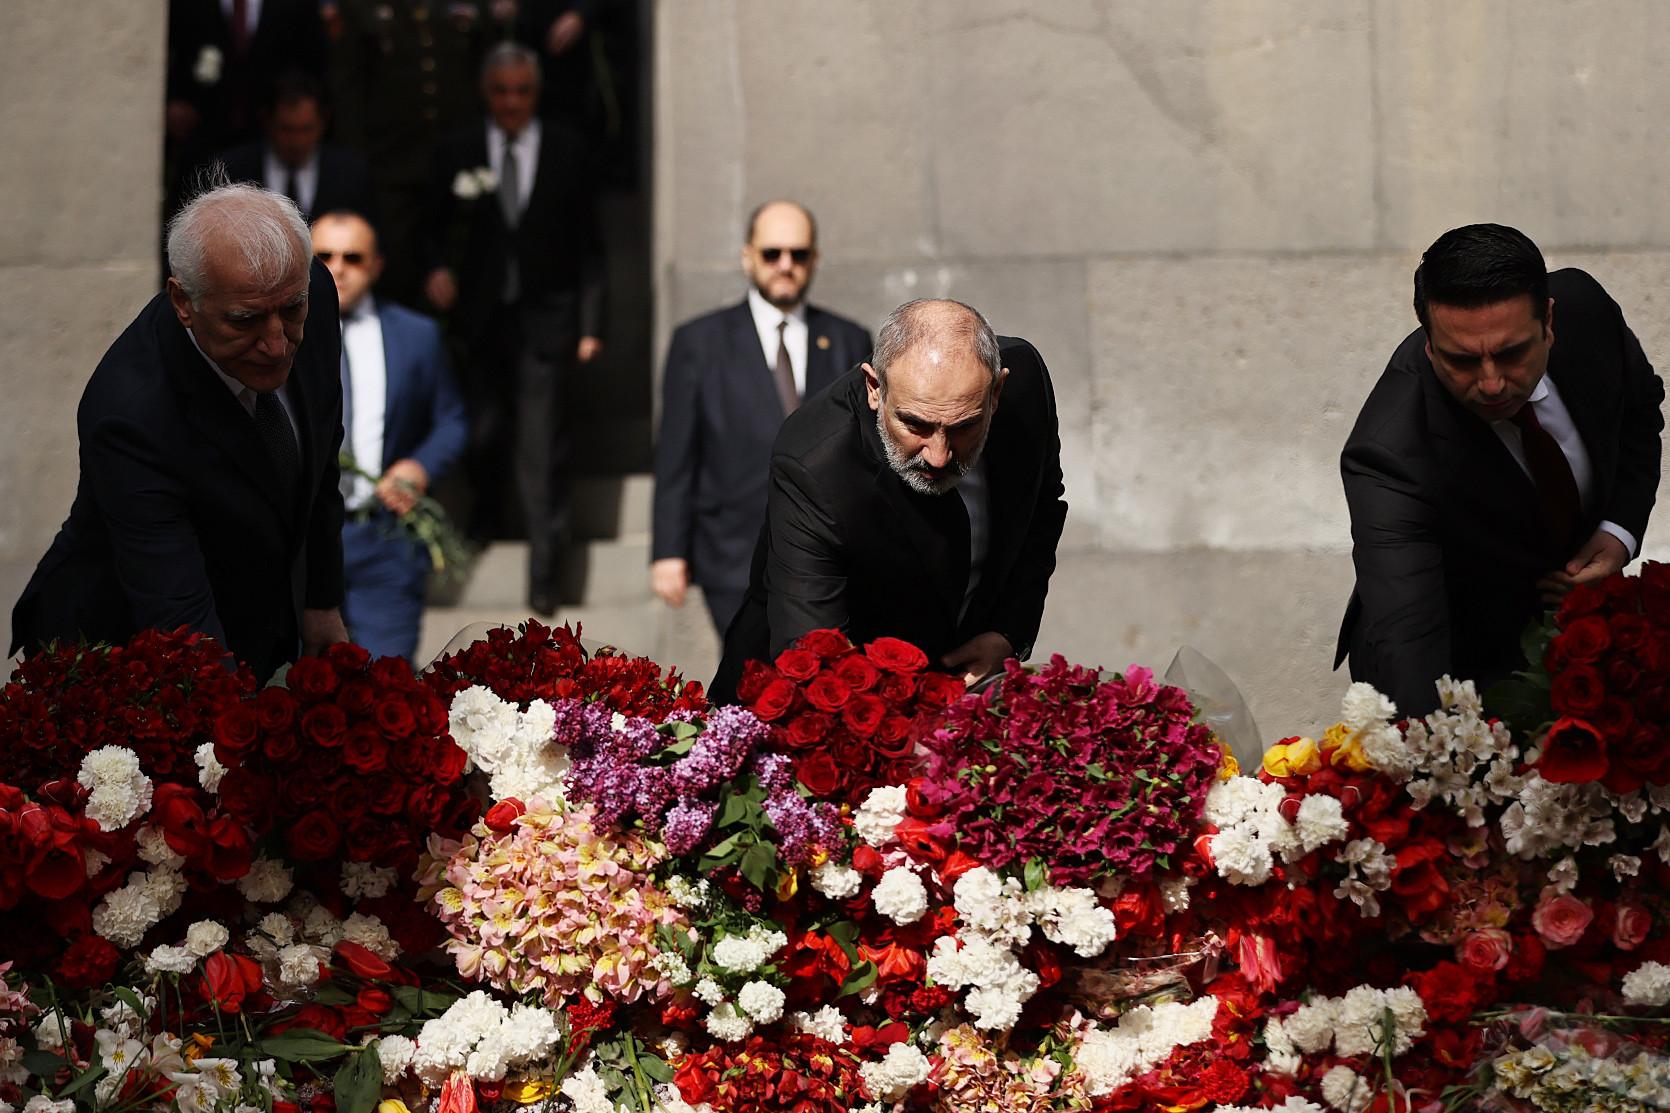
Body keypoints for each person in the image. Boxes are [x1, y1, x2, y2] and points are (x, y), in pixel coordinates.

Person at [11, 183, 349, 681]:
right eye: (245, 320)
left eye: (290, 311)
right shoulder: (130, 413)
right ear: (183, 302)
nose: (277, 345)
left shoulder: (310, 292)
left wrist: (322, 599)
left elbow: (321, 456)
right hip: (119, 656)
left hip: (253, 606)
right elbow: (181, 625)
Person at [1337, 223, 1665, 715]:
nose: (1491, 384)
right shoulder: (1389, 454)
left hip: (1580, 643)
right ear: (1429, 345)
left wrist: (1618, 530)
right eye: (1462, 361)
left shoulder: (1588, 310)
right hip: (1460, 655)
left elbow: (1640, 416)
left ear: (1550, 321)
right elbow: (1410, 636)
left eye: (1512, 353)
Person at [711, 299, 1068, 702]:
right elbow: (812, 653)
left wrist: (1008, 633)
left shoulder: (1027, 385)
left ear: (997, 392)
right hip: (813, 706)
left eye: (964, 426)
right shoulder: (815, 461)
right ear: (874, 388)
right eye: (915, 424)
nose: (938, 455)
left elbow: (1041, 509)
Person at [424, 41, 607, 615]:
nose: (511, 103)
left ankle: (545, 574)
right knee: (481, 430)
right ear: (486, 92)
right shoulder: (457, 148)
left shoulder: (568, 149)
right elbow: (429, 226)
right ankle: (483, 517)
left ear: (536, 92)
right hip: (478, 321)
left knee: (541, 446)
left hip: (547, 323)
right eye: (501, 92)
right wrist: (435, 272)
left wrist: (591, 323)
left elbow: (589, 248)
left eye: (521, 91)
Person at [651, 201, 871, 635]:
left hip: (830, 558)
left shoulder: (848, 339)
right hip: (732, 552)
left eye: (799, 254)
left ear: (815, 259)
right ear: (747, 256)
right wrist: (668, 550)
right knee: (748, 683)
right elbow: (676, 454)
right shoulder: (699, 343)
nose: (785, 265)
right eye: (772, 253)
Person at [313, 210, 467, 660]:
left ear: (376, 265)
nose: (337, 267)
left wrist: (419, 466)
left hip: (384, 537)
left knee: (386, 690)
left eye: (352, 257)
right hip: (303, 540)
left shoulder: (416, 336)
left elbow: (452, 419)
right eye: (323, 255)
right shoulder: (278, 334)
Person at [327, 0, 504, 307]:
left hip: (459, 164)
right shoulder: (358, 8)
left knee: (465, 261)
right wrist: (357, 162)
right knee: (395, 267)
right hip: (390, 164)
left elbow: (485, 72)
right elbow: (348, 90)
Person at [220, 71, 374, 223]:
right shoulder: (233, 172)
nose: (297, 141)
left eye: (306, 129)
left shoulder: (350, 174)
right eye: (287, 129)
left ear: (323, 123)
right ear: (268, 122)